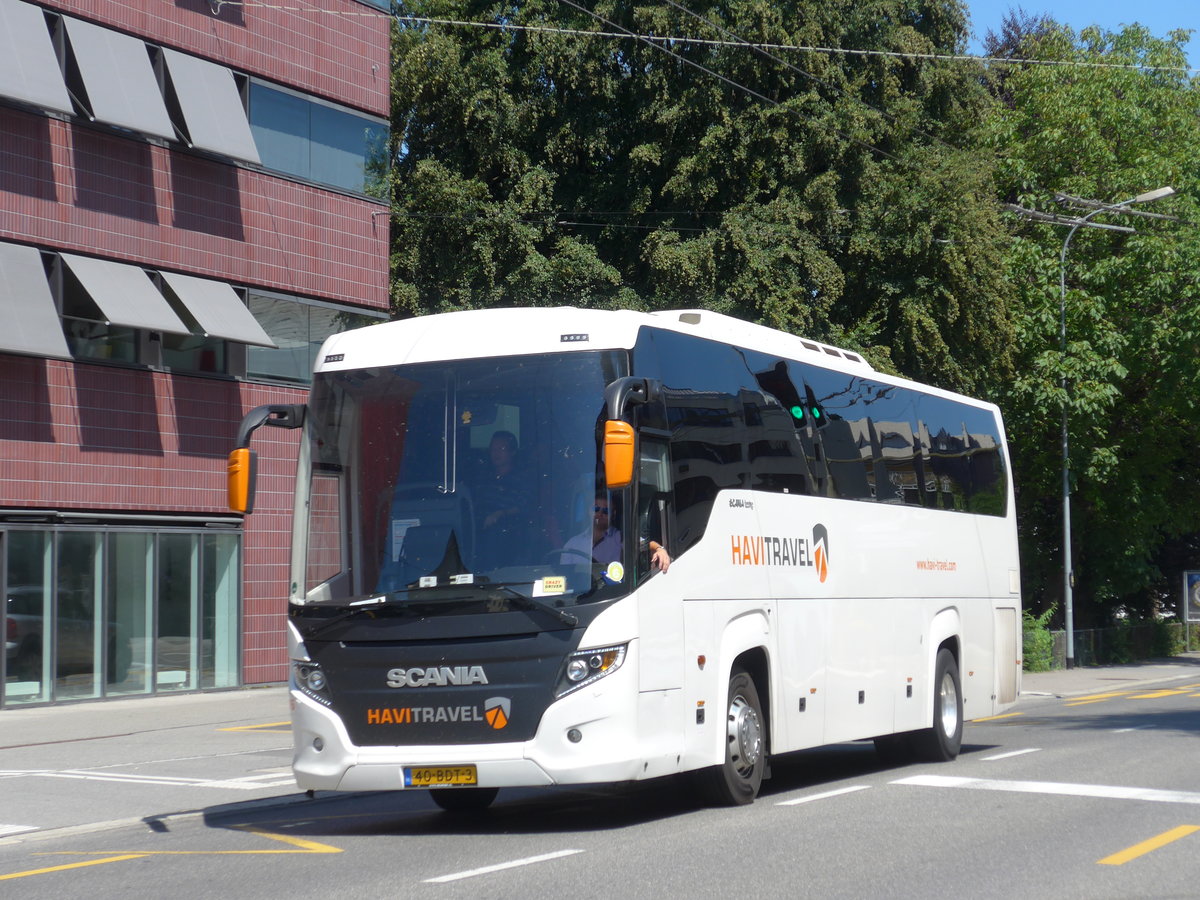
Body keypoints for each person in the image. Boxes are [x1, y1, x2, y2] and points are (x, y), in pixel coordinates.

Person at [561, 492, 670, 573]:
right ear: (589, 511)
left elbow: (645, 544)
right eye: (596, 509)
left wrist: (660, 549)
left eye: (606, 511)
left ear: (613, 514)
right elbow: (564, 574)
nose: (600, 513)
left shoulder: (621, 538)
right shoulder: (572, 543)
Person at [476, 431, 534, 567]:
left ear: (512, 451)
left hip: (509, 532)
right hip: (480, 529)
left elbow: (523, 506)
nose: (496, 453)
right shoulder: (484, 477)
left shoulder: (521, 478)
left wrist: (499, 514)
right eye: (493, 449)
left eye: (501, 448)